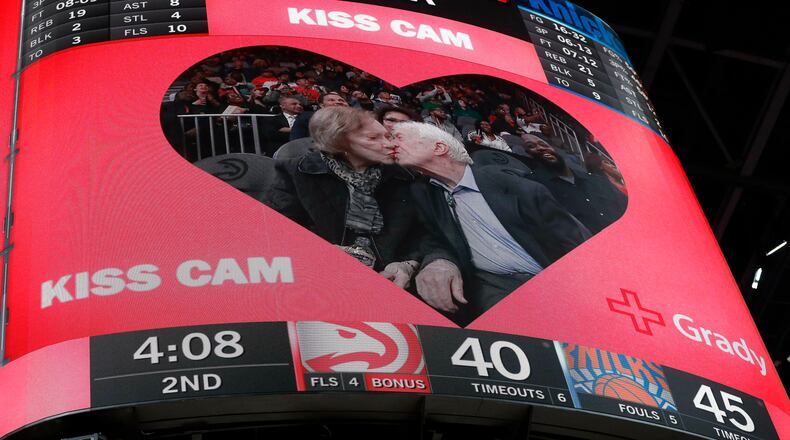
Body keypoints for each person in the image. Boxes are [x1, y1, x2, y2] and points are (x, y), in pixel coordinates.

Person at [392, 122, 591, 324]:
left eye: (399, 138)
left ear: (439, 147)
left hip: (553, 283)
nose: (392, 144)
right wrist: (438, 260)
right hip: (492, 287)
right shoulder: (425, 193)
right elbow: (434, 237)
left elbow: (575, 245)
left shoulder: (517, 186)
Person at [263, 107, 462, 306]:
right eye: (373, 138)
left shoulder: (408, 175)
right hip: (322, 283)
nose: (390, 144)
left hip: (395, 282)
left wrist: (409, 264)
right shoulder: (296, 172)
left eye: (388, 136)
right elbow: (274, 233)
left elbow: (430, 232)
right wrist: (323, 255)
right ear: (339, 143)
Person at [522, 134, 627, 234]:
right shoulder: (534, 186)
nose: (540, 148)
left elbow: (624, 205)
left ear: (553, 148)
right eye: (531, 146)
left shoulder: (595, 179)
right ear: (527, 153)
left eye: (543, 144)